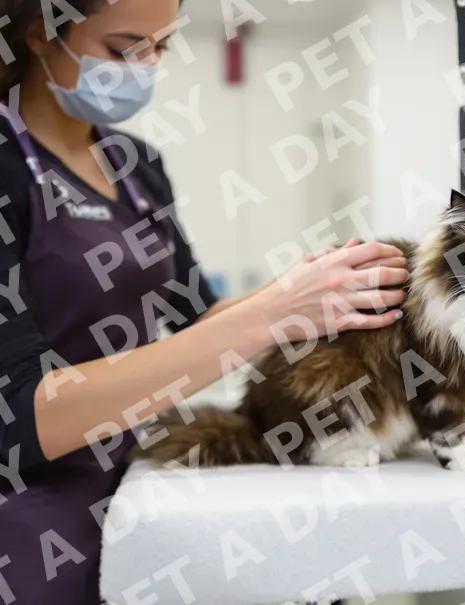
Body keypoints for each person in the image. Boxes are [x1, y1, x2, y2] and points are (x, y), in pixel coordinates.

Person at [0, 1, 407, 602]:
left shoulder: (136, 164)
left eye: (160, 47)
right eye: (123, 48)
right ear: (40, 33)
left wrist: (310, 289)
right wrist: (268, 314)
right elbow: (17, 416)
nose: (145, 67)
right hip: (32, 507)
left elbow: (195, 316)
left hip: (138, 474)